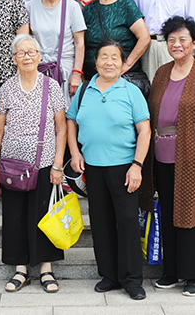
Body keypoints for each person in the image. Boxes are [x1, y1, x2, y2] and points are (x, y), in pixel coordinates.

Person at [140, 17, 195, 297]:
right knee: (168, 214)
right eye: (171, 40)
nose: (177, 44)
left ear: (194, 43)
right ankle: (172, 271)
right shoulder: (162, 73)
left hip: (193, 156)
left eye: (182, 39)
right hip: (162, 157)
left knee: (194, 215)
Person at [67, 40, 151, 300]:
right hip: (93, 167)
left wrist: (137, 166)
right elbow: (71, 121)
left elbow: (145, 131)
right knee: (101, 222)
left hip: (124, 167)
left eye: (115, 57)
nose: (109, 62)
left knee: (126, 222)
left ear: (123, 62)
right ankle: (109, 275)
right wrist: (75, 152)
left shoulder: (131, 91)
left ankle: (132, 280)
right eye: (104, 56)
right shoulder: (85, 90)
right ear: (95, 62)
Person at [0, 35, 68, 294]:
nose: (27, 57)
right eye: (21, 53)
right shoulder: (7, 88)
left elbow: (61, 128)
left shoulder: (51, 86)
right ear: (14, 58)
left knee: (43, 214)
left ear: (39, 56)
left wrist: (58, 164)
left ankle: (46, 268)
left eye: (31, 52)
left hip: (43, 164)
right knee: (15, 216)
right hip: (12, 166)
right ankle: (20, 269)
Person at [83, 0, 151, 94]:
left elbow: (144, 37)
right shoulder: (89, 9)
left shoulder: (126, 4)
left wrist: (126, 65)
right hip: (94, 78)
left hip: (121, 78)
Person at [29, 0, 87, 92]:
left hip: (65, 70)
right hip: (38, 69)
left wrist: (76, 74)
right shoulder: (31, 7)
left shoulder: (72, 6)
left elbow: (79, 43)